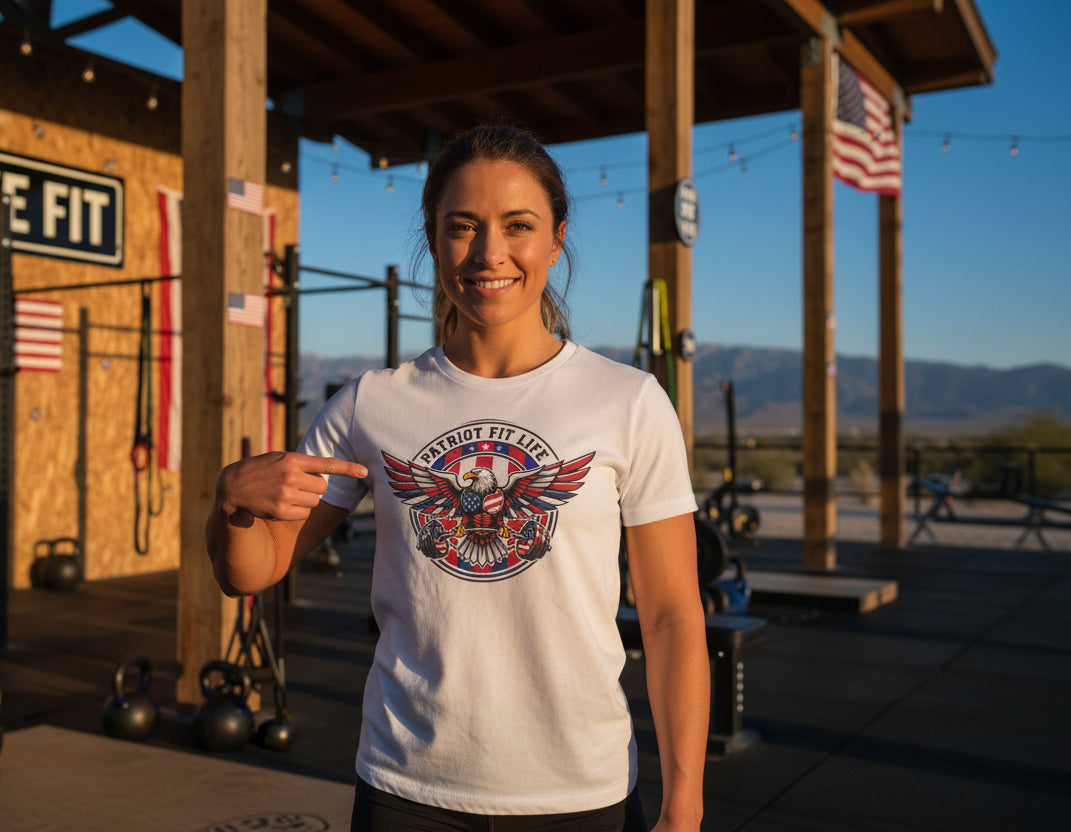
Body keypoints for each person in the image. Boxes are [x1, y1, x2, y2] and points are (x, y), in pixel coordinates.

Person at [207, 124, 709, 831]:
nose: (488, 253)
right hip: (407, 790)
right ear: (434, 239)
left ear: (556, 240)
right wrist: (232, 501)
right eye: (462, 226)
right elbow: (253, 572)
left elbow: (671, 616)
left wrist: (684, 803)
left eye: (518, 226)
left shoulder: (628, 401)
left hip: (580, 793)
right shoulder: (372, 404)